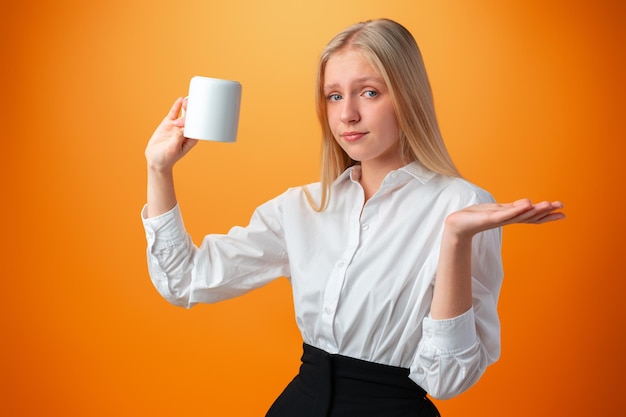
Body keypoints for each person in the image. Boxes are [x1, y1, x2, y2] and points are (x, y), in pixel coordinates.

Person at [141, 18, 565, 417]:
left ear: (407, 95)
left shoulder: (463, 205)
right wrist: (159, 169)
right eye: (334, 95)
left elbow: (447, 377)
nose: (347, 115)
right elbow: (184, 281)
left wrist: (454, 238)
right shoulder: (303, 206)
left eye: (369, 92)